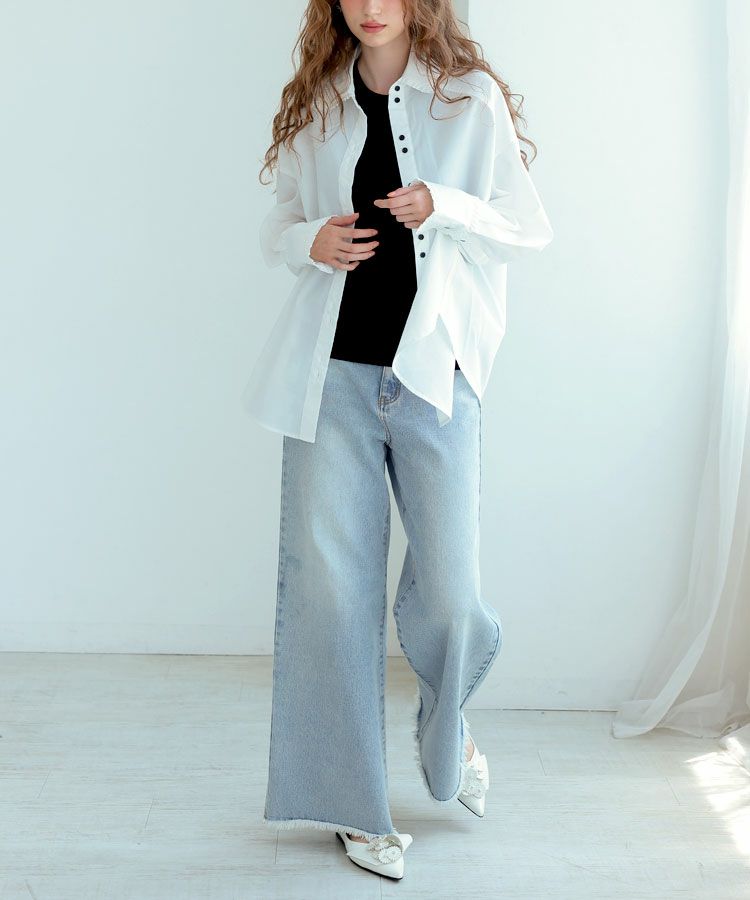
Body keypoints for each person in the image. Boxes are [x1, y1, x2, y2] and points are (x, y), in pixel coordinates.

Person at [244, 0, 553, 880]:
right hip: (332, 380)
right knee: (330, 600)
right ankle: (353, 807)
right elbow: (276, 228)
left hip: (434, 379)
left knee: (454, 596)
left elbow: (527, 227)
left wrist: (442, 204)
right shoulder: (317, 102)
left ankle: (446, 727)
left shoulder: (469, 98)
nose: (372, 6)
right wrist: (310, 240)